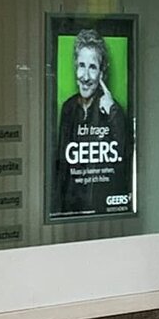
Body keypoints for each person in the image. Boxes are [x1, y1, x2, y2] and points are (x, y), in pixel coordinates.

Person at [53, 29, 132, 217]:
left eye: (93, 67)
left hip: (104, 211)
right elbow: (62, 167)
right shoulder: (68, 109)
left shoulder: (114, 111)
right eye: (82, 65)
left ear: (102, 73)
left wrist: (112, 112)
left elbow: (126, 156)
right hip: (71, 210)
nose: (86, 76)